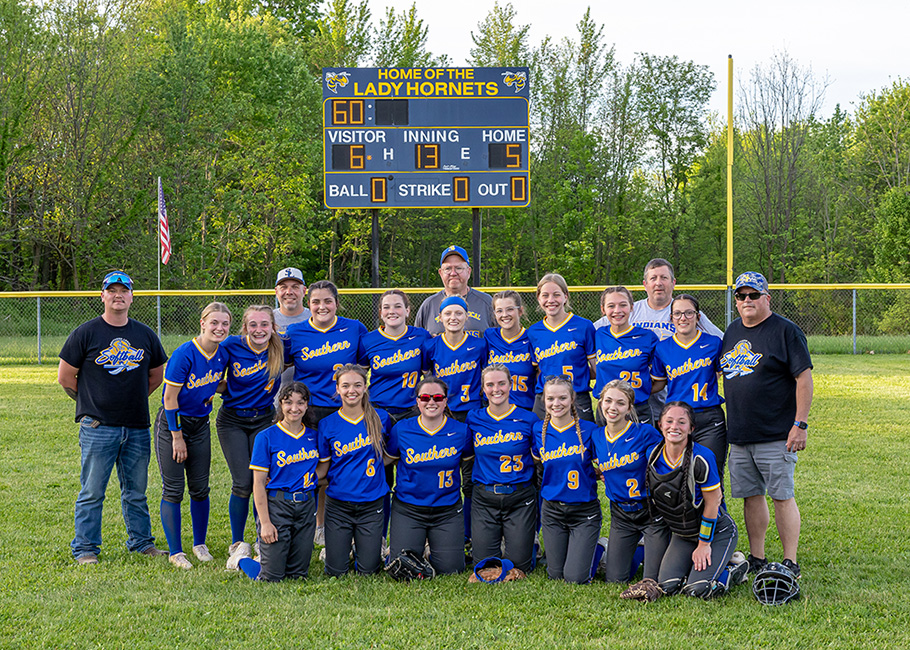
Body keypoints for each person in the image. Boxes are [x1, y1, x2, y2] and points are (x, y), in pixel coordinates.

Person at [57, 271, 169, 564]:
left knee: (136, 492)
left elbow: (157, 374)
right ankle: (85, 548)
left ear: (132, 296)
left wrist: (129, 397)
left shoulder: (144, 334)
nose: (118, 295)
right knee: (92, 492)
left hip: (136, 425)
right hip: (97, 425)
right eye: (112, 290)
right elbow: (66, 377)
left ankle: (142, 542)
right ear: (103, 295)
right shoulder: (86, 332)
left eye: (124, 290)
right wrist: (90, 401)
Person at [720, 272, 812, 579]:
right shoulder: (732, 331)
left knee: (781, 496)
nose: (747, 301)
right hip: (741, 434)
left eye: (753, 295)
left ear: (767, 298)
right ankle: (757, 556)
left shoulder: (786, 331)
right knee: (750, 496)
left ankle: (790, 562)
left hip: (776, 433)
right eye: (741, 296)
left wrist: (800, 424)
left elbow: (804, 378)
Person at [285, 279, 368, 544]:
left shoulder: (354, 328)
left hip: (345, 409)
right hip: (309, 411)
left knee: (341, 469)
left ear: (336, 302)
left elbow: (368, 366)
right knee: (311, 468)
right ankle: (310, 525)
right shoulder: (296, 333)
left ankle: (334, 524)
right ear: (307, 304)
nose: (322, 307)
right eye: (316, 302)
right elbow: (277, 362)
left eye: (327, 301)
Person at [594, 259, 723, 420]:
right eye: (653, 278)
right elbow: (588, 334)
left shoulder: (684, 311)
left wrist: (703, 372)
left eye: (664, 278)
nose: (658, 283)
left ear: (673, 282)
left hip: (670, 399)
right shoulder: (628, 309)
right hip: (633, 400)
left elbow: (720, 343)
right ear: (645, 284)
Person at [154, 302, 231, 569]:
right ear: (202, 323)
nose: (219, 328)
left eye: (224, 324)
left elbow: (218, 382)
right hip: (174, 425)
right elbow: (169, 397)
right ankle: (176, 551)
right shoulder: (185, 353)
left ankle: (199, 544)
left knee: (200, 488)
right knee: (174, 489)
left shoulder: (223, 354)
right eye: (214, 323)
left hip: (200, 424)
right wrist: (177, 437)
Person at [646, 401, 746, 599]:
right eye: (669, 421)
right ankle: (701, 565)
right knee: (666, 587)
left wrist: (703, 544)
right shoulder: (654, 455)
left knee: (697, 590)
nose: (674, 427)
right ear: (660, 424)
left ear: (691, 429)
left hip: (716, 532)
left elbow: (713, 502)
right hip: (682, 534)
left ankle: (734, 569)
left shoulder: (701, 457)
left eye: (682, 422)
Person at [217, 305, 285, 569]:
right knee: (243, 482)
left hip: (264, 419)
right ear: (245, 327)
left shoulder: (280, 348)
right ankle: (237, 542)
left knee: (263, 478)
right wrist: (215, 388)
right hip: (232, 419)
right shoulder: (231, 345)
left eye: (265, 324)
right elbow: (209, 366)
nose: (259, 330)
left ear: (272, 327)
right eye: (253, 325)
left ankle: (260, 536)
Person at [386, 376, 473, 575]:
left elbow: (468, 464)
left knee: (451, 570)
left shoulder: (461, 431)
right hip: (409, 509)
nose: (431, 402)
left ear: (445, 401)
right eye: (425, 398)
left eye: (437, 397)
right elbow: (387, 459)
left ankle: (431, 548)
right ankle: (418, 545)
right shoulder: (402, 429)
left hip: (447, 510)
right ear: (417, 401)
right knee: (402, 567)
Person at [316, 365, 391, 576]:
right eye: (346, 385)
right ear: (337, 389)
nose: (352, 391)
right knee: (335, 571)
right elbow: (324, 466)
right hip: (338, 504)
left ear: (366, 387)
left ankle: (363, 546)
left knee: (369, 571)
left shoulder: (381, 418)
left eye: (358, 385)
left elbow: (391, 455)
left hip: (371, 503)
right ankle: (340, 548)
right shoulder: (327, 424)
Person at [591, 380, 668, 583]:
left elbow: (665, 466)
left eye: (620, 403)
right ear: (600, 403)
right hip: (621, 515)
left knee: (654, 580)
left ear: (629, 408)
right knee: (615, 579)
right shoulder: (597, 436)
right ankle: (637, 549)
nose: (613, 408)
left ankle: (653, 547)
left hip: (650, 512)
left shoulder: (645, 433)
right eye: (608, 401)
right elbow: (592, 464)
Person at [465, 364, 539, 573]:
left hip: (519, 497)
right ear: (483, 388)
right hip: (485, 498)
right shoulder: (474, 418)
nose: (496, 389)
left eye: (501, 383)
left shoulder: (528, 418)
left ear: (510, 385)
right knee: (485, 567)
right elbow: (468, 457)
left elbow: (537, 460)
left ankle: (528, 542)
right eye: (490, 384)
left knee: (520, 567)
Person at [246, 382, 321, 581]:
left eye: (300, 403)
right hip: (278, 506)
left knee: (298, 575)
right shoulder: (266, 437)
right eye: (288, 403)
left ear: (307, 405)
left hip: (305, 506)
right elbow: (258, 484)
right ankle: (241, 560)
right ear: (280, 403)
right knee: (272, 577)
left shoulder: (314, 436)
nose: (294, 408)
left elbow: (322, 469)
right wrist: (265, 523)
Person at [531, 376, 601, 583]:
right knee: (555, 574)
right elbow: (540, 468)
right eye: (550, 398)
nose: (556, 404)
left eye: (562, 398)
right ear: (543, 400)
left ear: (572, 399)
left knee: (574, 578)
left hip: (584, 511)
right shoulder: (538, 431)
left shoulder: (590, 430)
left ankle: (599, 548)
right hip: (552, 512)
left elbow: (604, 466)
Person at [651, 294, 728, 480]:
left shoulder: (713, 343)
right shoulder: (662, 348)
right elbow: (658, 383)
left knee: (712, 474)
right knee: (679, 477)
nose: (683, 318)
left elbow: (722, 373)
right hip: (677, 418)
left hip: (709, 417)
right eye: (677, 314)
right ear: (671, 318)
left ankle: (718, 510)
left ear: (698, 316)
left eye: (688, 313)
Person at [526, 273, 596, 421]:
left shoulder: (583, 326)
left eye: (556, 295)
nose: (550, 300)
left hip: (576, 396)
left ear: (565, 296)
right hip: (546, 399)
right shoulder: (534, 331)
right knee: (541, 442)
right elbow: (538, 370)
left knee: (581, 443)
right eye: (545, 295)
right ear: (538, 298)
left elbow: (596, 368)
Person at [593, 286, 660, 425]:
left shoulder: (647, 337)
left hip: (637, 409)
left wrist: (642, 391)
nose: (617, 310)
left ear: (631, 307)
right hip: (606, 410)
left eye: (623, 305)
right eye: (611, 306)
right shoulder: (598, 335)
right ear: (603, 309)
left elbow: (661, 377)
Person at [361, 289, 430, 423]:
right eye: (386, 307)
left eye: (398, 306)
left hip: (412, 410)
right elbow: (359, 376)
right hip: (378, 409)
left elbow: (429, 374)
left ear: (407, 310)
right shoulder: (368, 340)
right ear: (381, 313)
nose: (392, 311)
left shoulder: (421, 336)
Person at [423, 295, 487, 422]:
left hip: (471, 409)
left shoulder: (479, 345)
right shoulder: (430, 345)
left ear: (466, 316)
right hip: (442, 409)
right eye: (448, 313)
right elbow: (425, 372)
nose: (453, 318)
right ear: (440, 317)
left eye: (459, 313)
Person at [414, 245, 495, 336]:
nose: (453, 273)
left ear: (468, 272)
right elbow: (417, 342)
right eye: (448, 269)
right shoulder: (429, 305)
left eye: (458, 268)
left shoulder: (486, 302)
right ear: (441, 273)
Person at [484, 290, 536, 411]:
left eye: (510, 309)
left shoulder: (531, 338)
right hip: (493, 408)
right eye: (499, 311)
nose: (505, 314)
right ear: (494, 314)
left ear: (520, 311)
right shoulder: (490, 336)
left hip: (524, 408)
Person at [272, 267, 311, 393]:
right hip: (272, 397)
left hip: (309, 396)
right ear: (276, 291)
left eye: (295, 287)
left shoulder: (316, 319)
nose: (289, 292)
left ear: (304, 291)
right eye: (283, 287)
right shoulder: (265, 321)